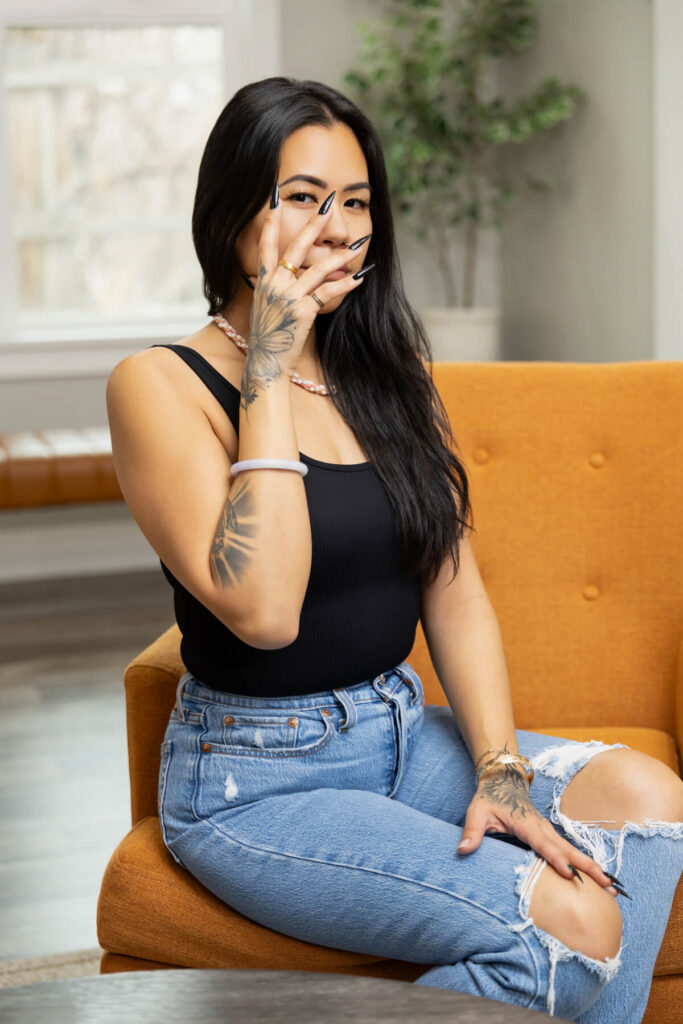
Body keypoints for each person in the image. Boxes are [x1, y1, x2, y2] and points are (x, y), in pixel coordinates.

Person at [106, 77, 683, 1022]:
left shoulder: (386, 371)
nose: (337, 227)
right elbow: (264, 607)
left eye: (358, 202)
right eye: (303, 198)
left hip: (401, 731)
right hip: (255, 780)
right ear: (232, 216)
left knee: (648, 794)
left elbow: (452, 590)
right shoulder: (159, 386)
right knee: (572, 925)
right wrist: (270, 370)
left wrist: (499, 771)